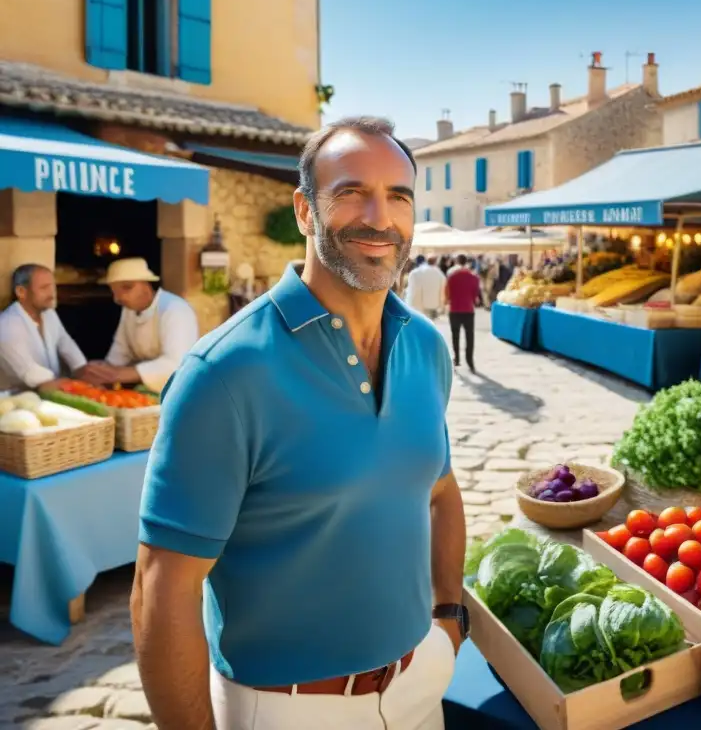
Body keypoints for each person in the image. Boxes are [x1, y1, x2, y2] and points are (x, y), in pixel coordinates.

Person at [130, 116, 467, 730]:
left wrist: (449, 618)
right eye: (350, 192)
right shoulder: (223, 374)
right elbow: (162, 591)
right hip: (289, 709)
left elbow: (441, 491)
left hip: (422, 683)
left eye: (398, 196)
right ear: (305, 211)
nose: (380, 216)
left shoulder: (427, 348)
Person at [93, 258, 199, 394]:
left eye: (127, 287)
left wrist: (121, 374)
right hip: (145, 391)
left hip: (180, 393)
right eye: (114, 291)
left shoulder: (175, 309)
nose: (118, 298)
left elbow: (176, 363)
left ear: (146, 285)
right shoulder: (128, 311)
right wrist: (102, 371)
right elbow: (120, 352)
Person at [0, 264, 105, 391]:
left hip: (51, 393)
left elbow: (67, 346)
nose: (51, 293)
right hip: (16, 401)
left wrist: (85, 372)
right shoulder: (6, 325)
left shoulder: (49, 314)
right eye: (44, 288)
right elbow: (30, 373)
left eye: (53, 287)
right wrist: (78, 387)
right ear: (21, 292)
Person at [445, 254, 481, 372]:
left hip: (454, 309)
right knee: (469, 336)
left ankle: (457, 358)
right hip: (468, 310)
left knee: (455, 336)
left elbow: (447, 294)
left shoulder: (451, 277)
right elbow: (475, 297)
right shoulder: (474, 278)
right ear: (467, 263)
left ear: (456, 262)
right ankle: (470, 361)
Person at [404, 254, 447, 320]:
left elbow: (411, 288)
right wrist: (442, 304)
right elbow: (443, 288)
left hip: (417, 304)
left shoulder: (416, 272)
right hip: (433, 304)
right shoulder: (439, 273)